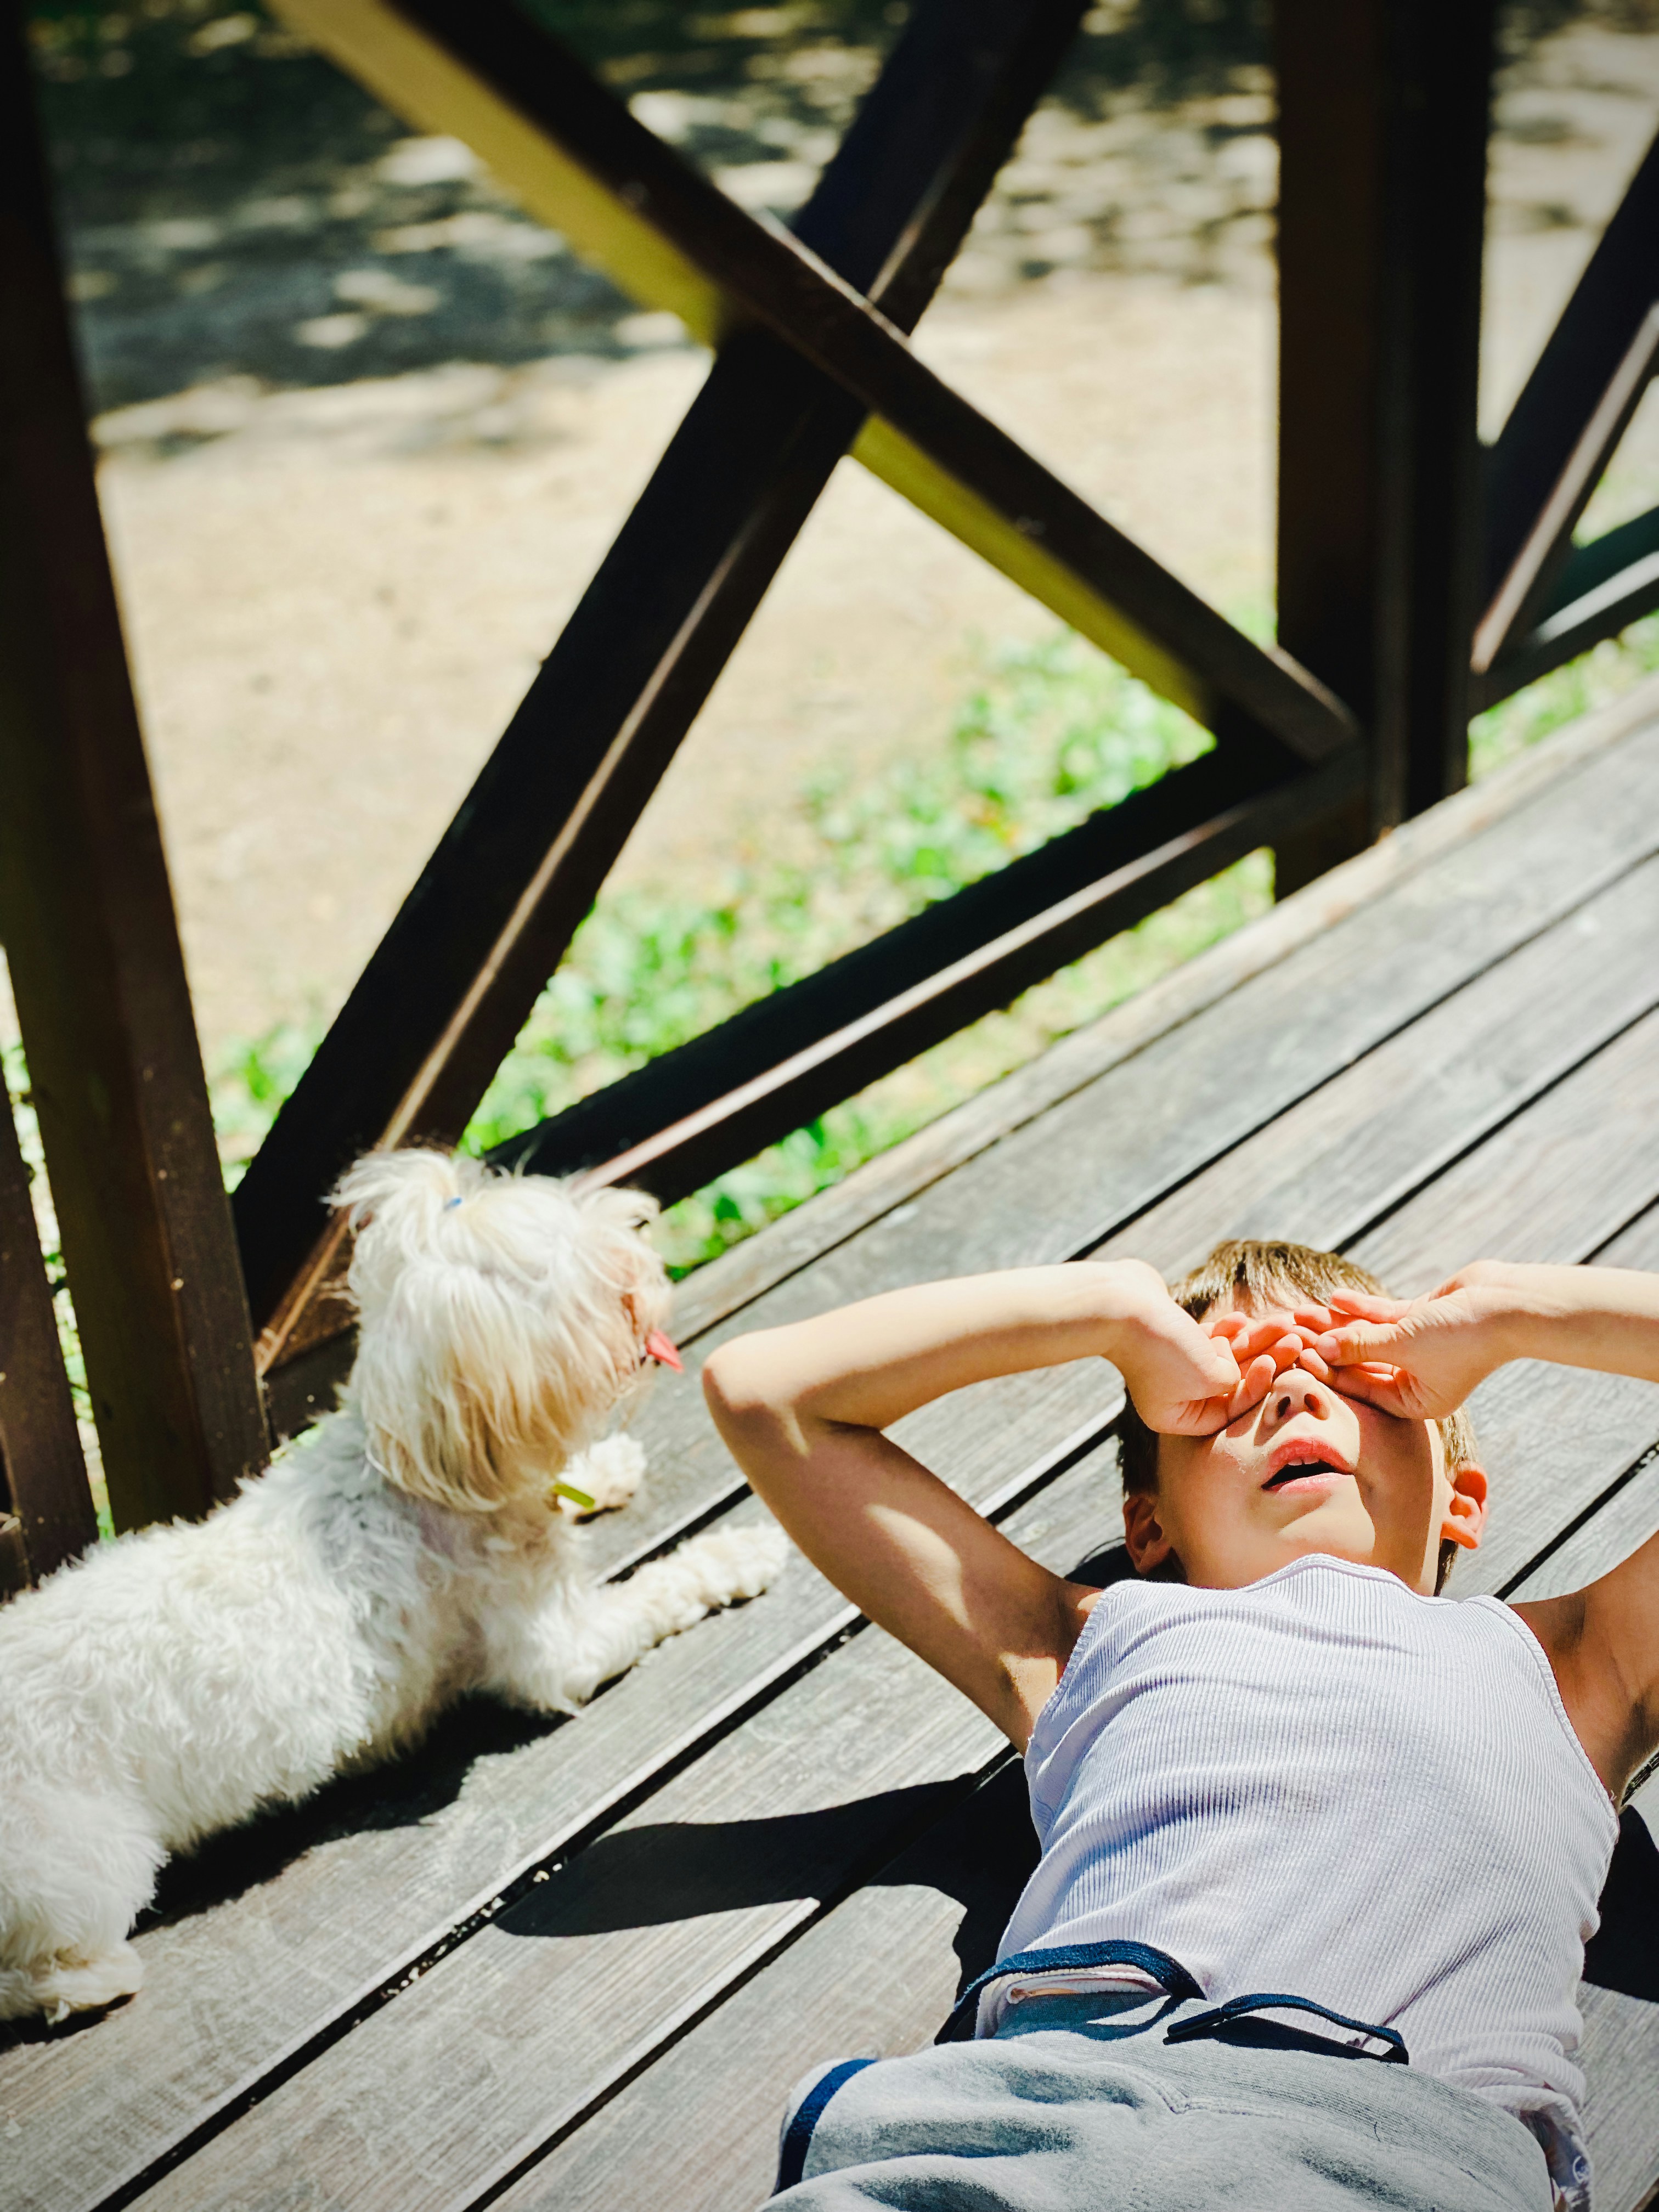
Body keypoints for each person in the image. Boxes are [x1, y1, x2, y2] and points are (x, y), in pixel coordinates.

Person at [702, 1242, 1659, 2212]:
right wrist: (1112, 1312)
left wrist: (1509, 1311)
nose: (1290, 1392)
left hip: (1389, 2149)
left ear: (1462, 1500)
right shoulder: (1083, 1645)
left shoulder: (1584, 1666)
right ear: (1149, 1528)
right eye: (1232, 1389)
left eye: (1362, 1380)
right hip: (1040, 2120)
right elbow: (764, 1393)